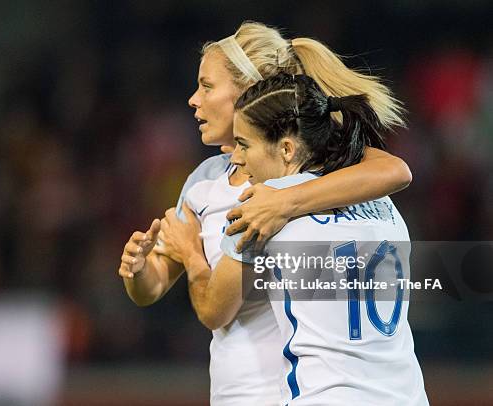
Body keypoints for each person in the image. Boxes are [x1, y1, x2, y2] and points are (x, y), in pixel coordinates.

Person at [119, 21, 412, 405]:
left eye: (207, 86)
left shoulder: (302, 176)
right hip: (241, 389)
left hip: (293, 389)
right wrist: (138, 271)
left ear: (246, 91)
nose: (193, 99)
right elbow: (154, 284)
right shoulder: (205, 180)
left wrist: (284, 201)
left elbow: (394, 169)